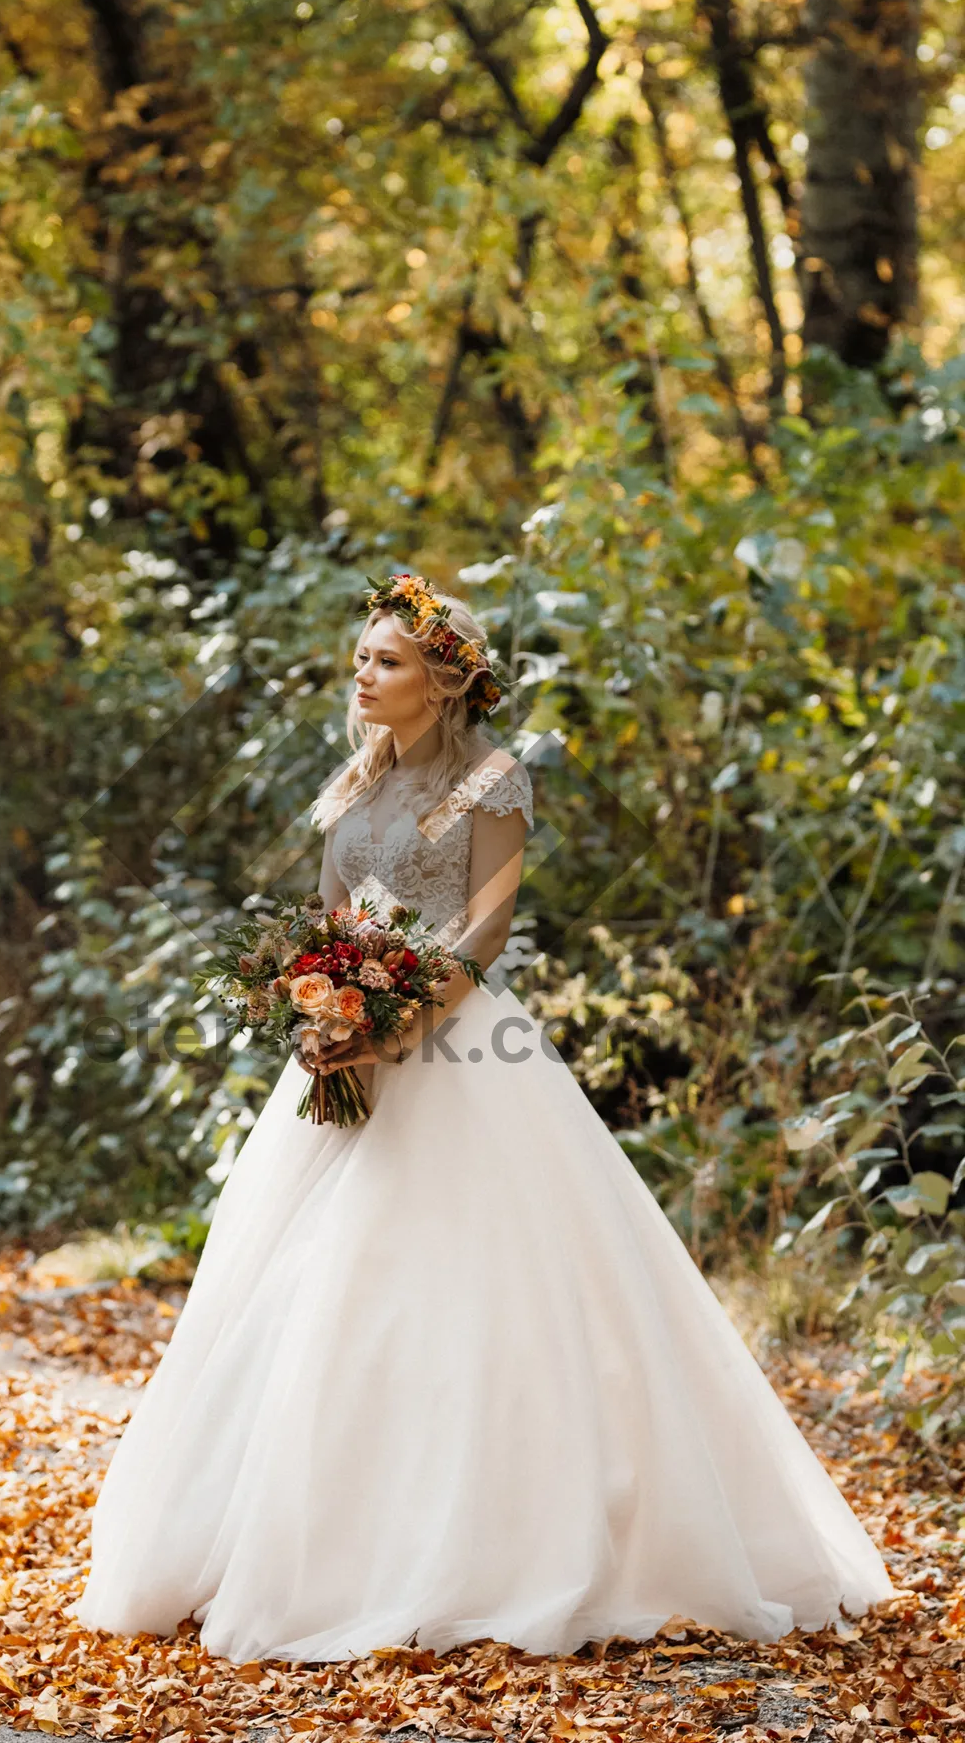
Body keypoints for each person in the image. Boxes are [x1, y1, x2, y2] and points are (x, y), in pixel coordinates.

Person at [73, 570, 895, 1664]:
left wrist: (394, 1021)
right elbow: (326, 919)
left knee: (465, 1283)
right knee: (303, 1287)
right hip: (346, 1048)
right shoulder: (352, 786)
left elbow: (482, 935)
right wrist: (317, 1008)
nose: (364, 676)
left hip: (455, 1048)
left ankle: (496, 1546)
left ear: (446, 681)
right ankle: (291, 1539)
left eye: (389, 661)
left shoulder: (494, 785)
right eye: (362, 658)